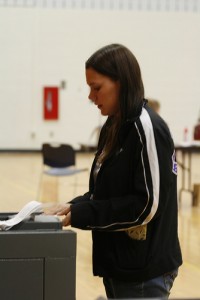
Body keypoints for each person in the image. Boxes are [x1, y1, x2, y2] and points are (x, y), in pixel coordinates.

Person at [48, 44, 182, 299]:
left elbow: (146, 206)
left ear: (121, 82)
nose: (90, 96)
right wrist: (69, 207)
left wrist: (80, 214)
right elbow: (104, 193)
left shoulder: (146, 128)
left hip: (144, 271)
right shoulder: (113, 125)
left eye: (96, 87)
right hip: (121, 264)